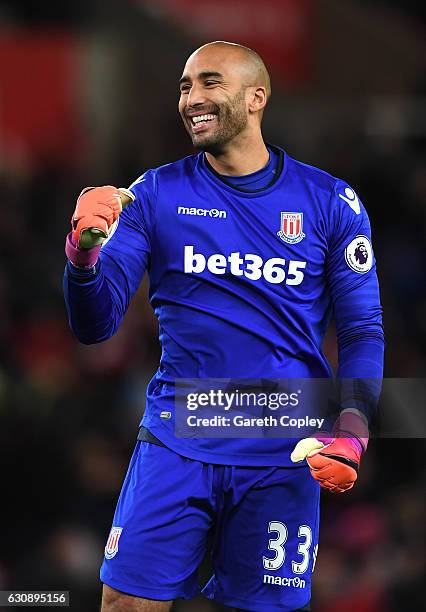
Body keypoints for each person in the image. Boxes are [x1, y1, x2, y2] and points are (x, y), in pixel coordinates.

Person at [63, 41, 384, 612]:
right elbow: (96, 324)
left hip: (283, 449)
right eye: (186, 86)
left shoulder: (331, 202)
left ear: (257, 97)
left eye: (210, 83)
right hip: (177, 440)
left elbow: (363, 332)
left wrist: (352, 433)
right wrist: (84, 255)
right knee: (124, 604)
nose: (191, 99)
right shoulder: (153, 194)